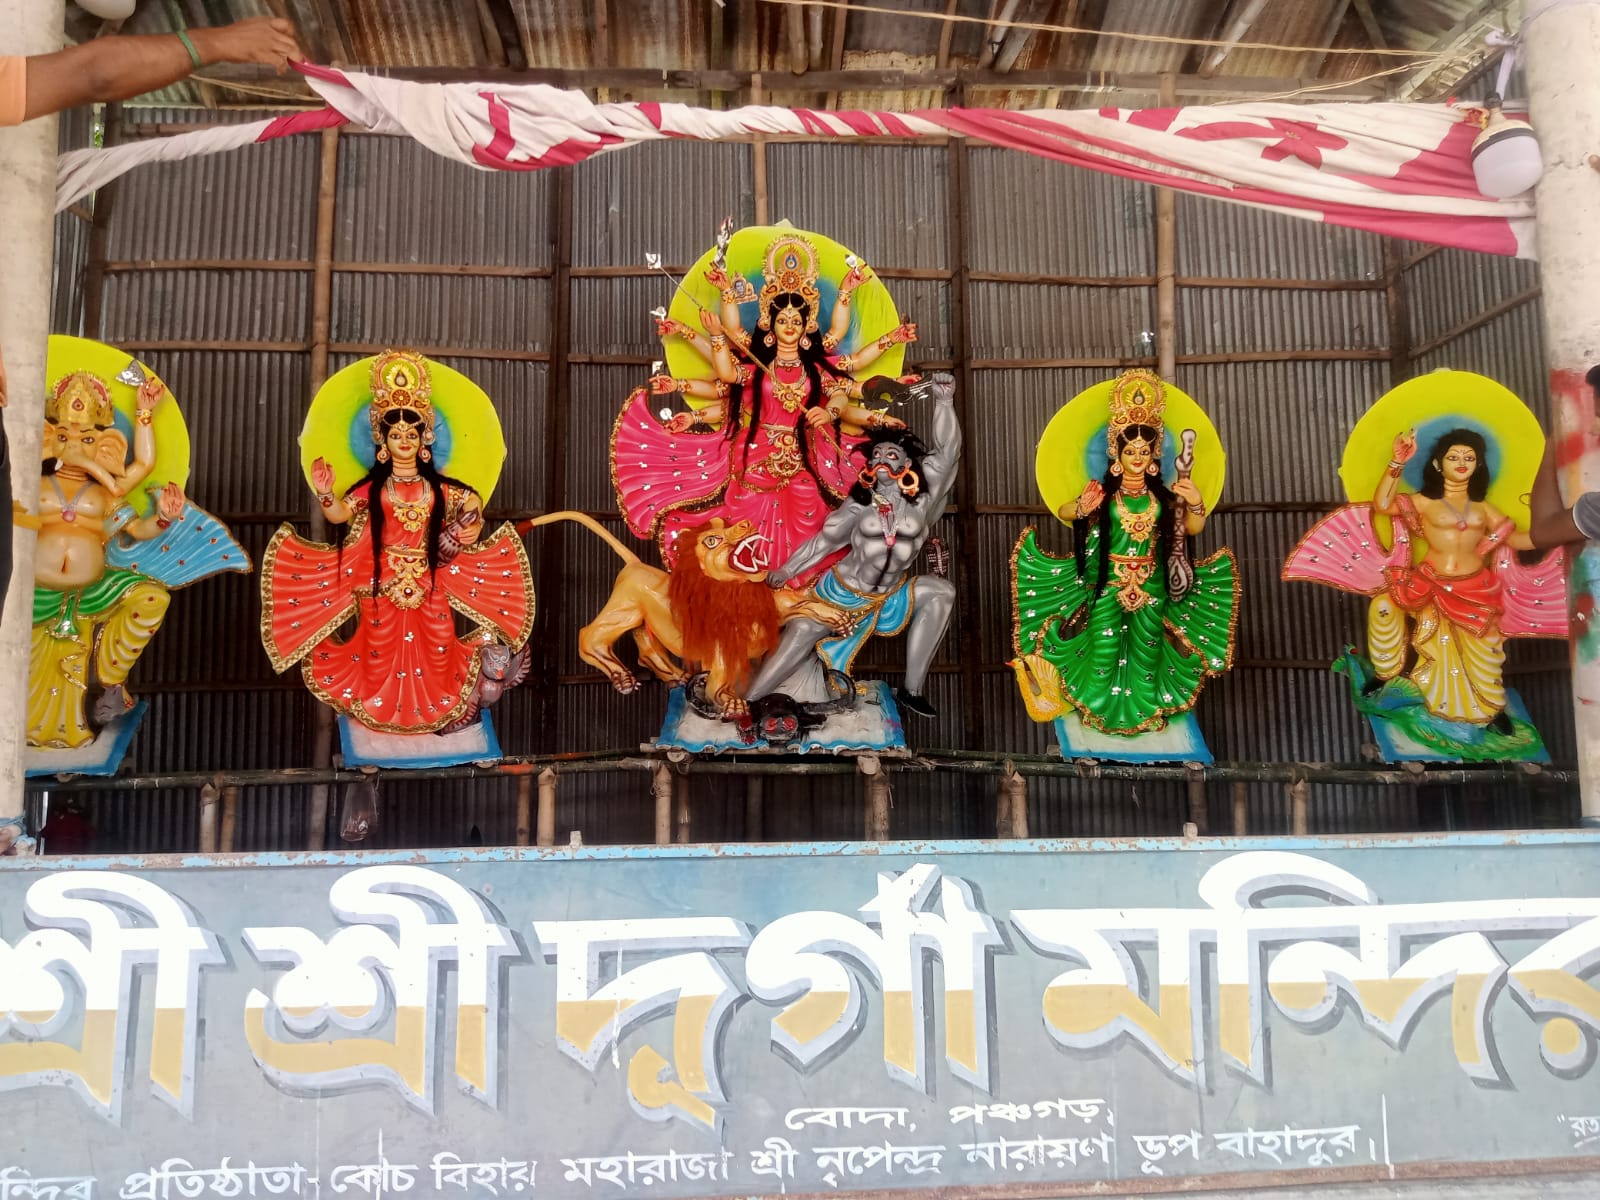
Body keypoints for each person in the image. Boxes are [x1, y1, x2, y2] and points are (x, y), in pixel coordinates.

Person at [0, 15, 301, 855]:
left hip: (85, 586)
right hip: (32, 586)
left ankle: (104, 687)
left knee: (145, 595)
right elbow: (92, 74)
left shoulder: (92, 464)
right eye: (70, 418)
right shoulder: (40, 461)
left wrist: (145, 499)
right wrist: (218, 44)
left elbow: (131, 495)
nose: (77, 430)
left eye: (88, 420)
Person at [614, 232, 915, 583]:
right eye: (783, 320)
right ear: (770, 325)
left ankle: (801, 586)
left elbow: (840, 393)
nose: (789, 326)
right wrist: (715, 333)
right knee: (744, 516)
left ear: (806, 326)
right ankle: (747, 588)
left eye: (796, 321)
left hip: (802, 457)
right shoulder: (757, 369)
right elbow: (726, 375)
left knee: (813, 513)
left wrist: (830, 412)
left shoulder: (815, 370)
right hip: (755, 454)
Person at [260, 351, 534, 735]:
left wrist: (470, 525)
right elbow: (339, 514)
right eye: (396, 435)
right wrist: (324, 492)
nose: (404, 441)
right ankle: (379, 716)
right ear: (383, 443)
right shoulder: (374, 488)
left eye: (411, 434)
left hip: (429, 579)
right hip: (382, 581)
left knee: (440, 645)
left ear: (423, 441)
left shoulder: (438, 489)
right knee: (377, 652)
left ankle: (442, 712)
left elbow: (471, 501)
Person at [1011, 370, 1238, 735]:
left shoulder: (1163, 498)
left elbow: (1193, 528)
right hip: (1108, 583)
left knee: (1148, 653)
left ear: (1154, 457)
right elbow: (1066, 511)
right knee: (1103, 647)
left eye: (1144, 451)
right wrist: (1082, 508)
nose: (1136, 457)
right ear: (1116, 455)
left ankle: (1145, 711)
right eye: (1130, 451)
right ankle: (1096, 711)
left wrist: (1196, 502)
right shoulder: (1104, 495)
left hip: (1151, 584)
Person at [742, 373, 960, 730]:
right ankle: (748, 701)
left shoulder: (923, 502)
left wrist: (945, 401)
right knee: (802, 630)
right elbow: (824, 543)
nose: (883, 458)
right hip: (841, 594)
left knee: (941, 592)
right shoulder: (859, 507)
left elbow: (948, 453)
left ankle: (912, 690)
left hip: (888, 597)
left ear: (906, 466)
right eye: (877, 454)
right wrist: (786, 571)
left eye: (892, 454)